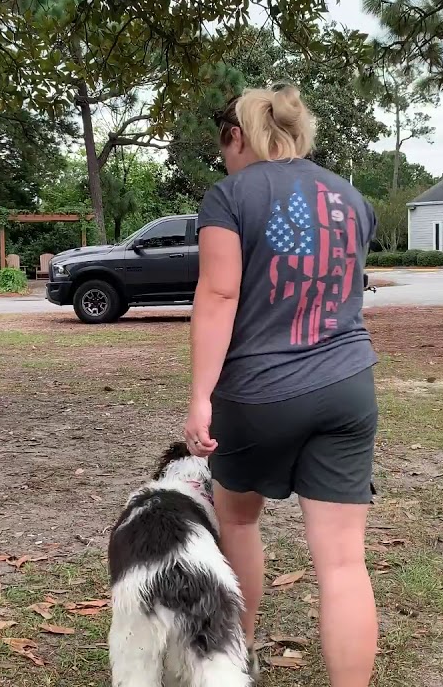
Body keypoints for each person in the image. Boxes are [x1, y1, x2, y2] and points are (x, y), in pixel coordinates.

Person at [184, 85, 380, 686]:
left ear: (237, 136)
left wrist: (198, 398)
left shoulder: (230, 196)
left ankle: (236, 663)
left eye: (224, 146)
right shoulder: (351, 198)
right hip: (348, 385)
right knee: (344, 563)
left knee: (239, 523)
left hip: (257, 393)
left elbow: (219, 296)